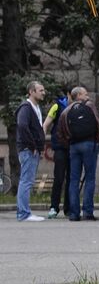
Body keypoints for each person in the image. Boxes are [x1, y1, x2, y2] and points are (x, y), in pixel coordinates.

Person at [58, 86, 99, 221]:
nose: (87, 96)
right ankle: (88, 212)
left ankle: (73, 213)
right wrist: (97, 140)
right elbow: (98, 123)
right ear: (78, 96)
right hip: (89, 144)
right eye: (85, 94)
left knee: (73, 180)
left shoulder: (66, 111)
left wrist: (69, 144)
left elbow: (60, 133)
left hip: (73, 146)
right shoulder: (90, 106)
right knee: (90, 178)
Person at [14, 81, 47, 222]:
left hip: (32, 149)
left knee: (27, 180)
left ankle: (24, 212)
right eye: (40, 90)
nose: (43, 92)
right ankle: (23, 213)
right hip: (28, 150)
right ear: (31, 92)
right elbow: (22, 126)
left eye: (43, 90)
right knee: (26, 181)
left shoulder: (35, 107)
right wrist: (33, 145)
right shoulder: (26, 107)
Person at [43, 91, 70, 219]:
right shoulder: (57, 106)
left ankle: (69, 208)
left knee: (72, 179)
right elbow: (46, 124)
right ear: (69, 94)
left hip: (73, 147)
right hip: (60, 147)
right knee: (59, 178)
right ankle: (54, 207)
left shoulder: (78, 106)